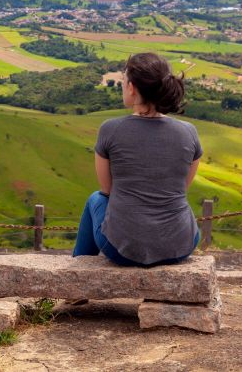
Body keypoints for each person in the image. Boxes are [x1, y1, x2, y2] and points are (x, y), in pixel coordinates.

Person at [72, 52, 202, 267]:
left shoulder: (110, 129)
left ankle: (76, 281)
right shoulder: (189, 132)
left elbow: (107, 190)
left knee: (96, 198)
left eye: (124, 82)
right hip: (181, 244)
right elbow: (182, 187)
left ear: (131, 88)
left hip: (121, 250)